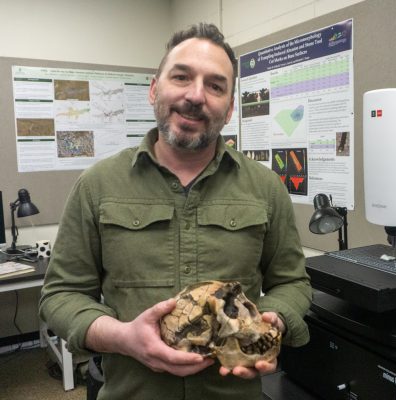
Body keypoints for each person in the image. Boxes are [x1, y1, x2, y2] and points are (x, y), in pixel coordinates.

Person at [39, 23, 311, 400]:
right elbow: (61, 295)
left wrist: (270, 323)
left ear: (230, 107)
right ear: (155, 89)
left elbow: (291, 283)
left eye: (215, 86)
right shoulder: (97, 186)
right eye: (181, 77)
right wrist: (123, 338)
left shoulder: (266, 188)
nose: (196, 96)